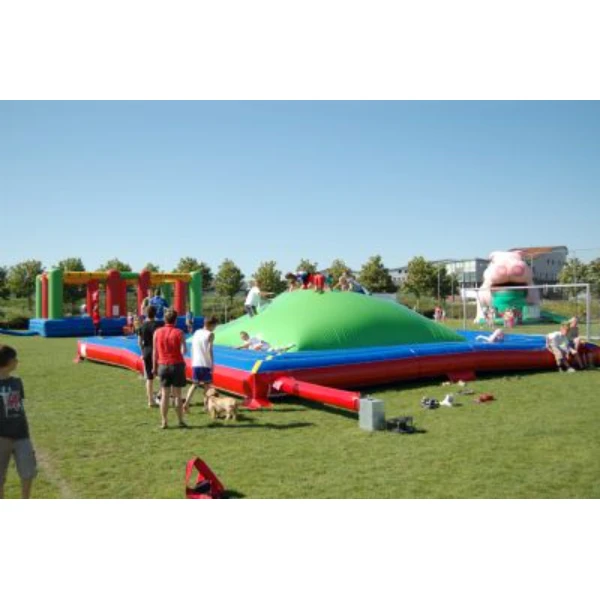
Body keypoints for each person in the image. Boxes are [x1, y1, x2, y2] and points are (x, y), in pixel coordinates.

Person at [0, 344, 36, 499]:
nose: (17, 361)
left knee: (28, 472)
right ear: (7, 362)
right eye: (15, 359)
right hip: (2, 437)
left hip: (22, 435)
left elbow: (18, 406)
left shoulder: (17, 382)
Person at [153, 309, 188, 429]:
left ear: (164, 319)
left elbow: (155, 352)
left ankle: (164, 421)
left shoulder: (157, 332)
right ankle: (180, 421)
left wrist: (154, 367)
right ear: (175, 320)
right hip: (177, 365)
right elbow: (184, 350)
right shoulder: (179, 332)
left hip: (163, 365)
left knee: (165, 394)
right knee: (178, 395)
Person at [183, 316, 219, 413]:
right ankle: (206, 406)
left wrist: (192, 360)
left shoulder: (197, 332)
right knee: (207, 385)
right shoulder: (210, 334)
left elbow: (192, 348)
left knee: (194, 385)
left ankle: (186, 403)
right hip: (205, 363)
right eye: (215, 326)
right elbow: (209, 350)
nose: (215, 328)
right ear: (211, 325)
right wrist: (212, 364)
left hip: (196, 362)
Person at [138, 305, 163, 408]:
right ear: (155, 313)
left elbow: (139, 342)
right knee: (162, 376)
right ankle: (160, 395)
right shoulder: (159, 325)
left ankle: (150, 401)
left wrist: (142, 352)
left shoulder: (142, 326)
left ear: (145, 314)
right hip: (157, 352)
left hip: (147, 352)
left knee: (149, 378)